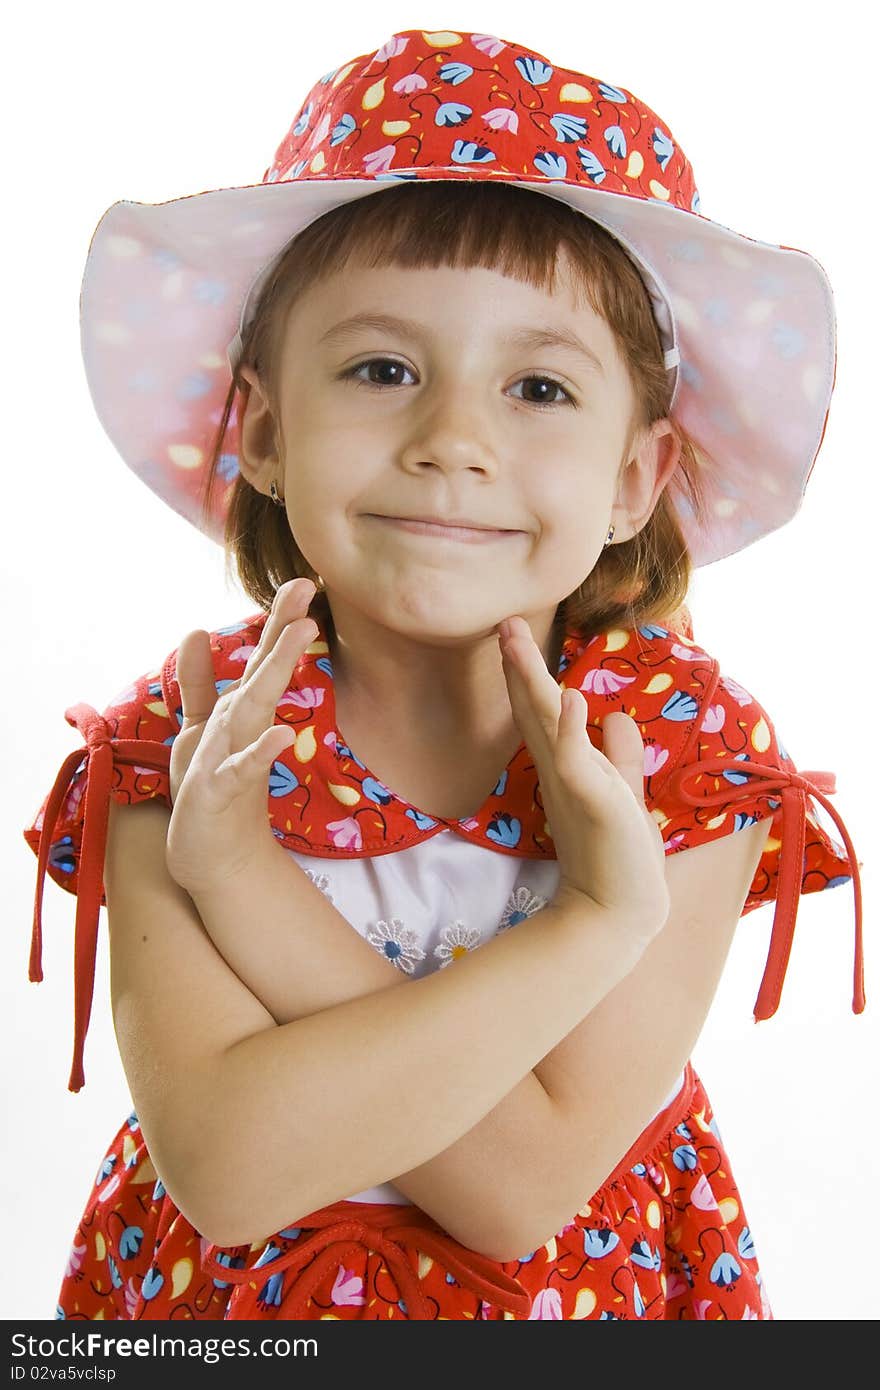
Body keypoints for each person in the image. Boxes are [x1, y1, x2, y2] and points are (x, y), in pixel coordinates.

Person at [23, 26, 864, 1322]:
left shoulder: (685, 749)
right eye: (382, 369)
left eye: (537, 386)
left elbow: (527, 1184)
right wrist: (595, 919)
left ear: (638, 476)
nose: (453, 440)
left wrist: (242, 878)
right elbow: (233, 1168)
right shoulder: (179, 744)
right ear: (261, 427)